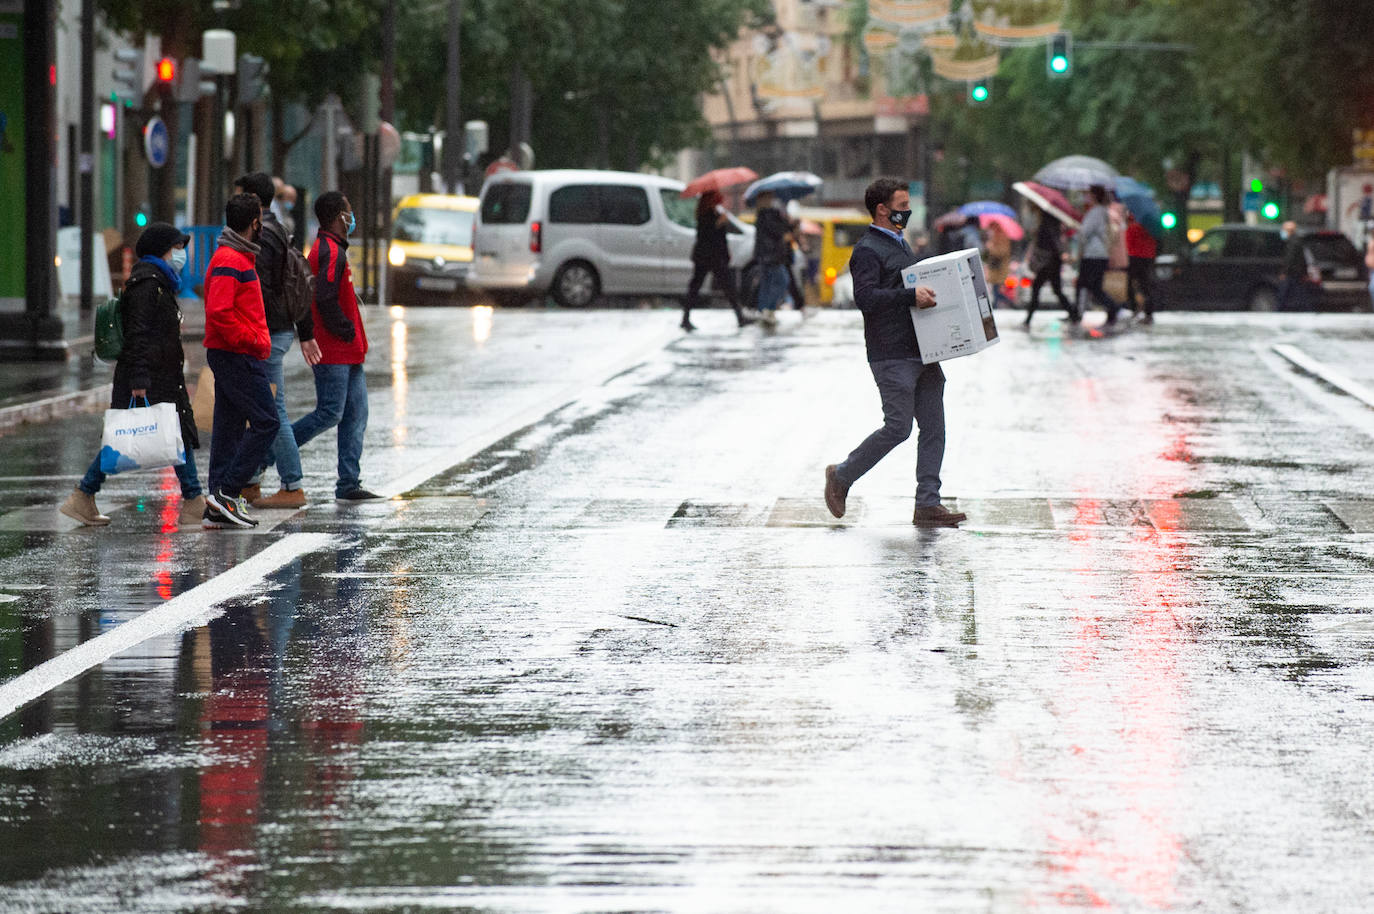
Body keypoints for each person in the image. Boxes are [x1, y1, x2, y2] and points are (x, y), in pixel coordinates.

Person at [822, 177, 967, 528]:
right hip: (891, 354)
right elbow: (866, 298)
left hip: (923, 350)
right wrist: (909, 295)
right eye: (902, 206)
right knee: (898, 427)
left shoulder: (901, 245)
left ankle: (928, 503)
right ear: (882, 210)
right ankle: (841, 476)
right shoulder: (868, 250)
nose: (907, 212)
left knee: (934, 427)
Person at [60, 223, 205, 527]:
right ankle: (84, 494)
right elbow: (137, 335)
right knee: (138, 439)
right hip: (147, 376)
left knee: (175, 432)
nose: (182, 254)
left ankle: (193, 500)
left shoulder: (159, 282)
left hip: (160, 372)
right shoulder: (146, 285)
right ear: (163, 250)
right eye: (177, 248)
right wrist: (139, 379)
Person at [232, 172, 320, 509]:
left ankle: (292, 484)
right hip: (277, 329)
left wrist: (255, 329)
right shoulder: (277, 229)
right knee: (262, 408)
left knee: (273, 410)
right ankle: (252, 481)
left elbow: (263, 289)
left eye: (240, 196)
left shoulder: (263, 235)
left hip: (268, 331)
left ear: (252, 198)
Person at [292, 191, 381, 502]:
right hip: (335, 350)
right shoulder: (330, 251)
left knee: (356, 414)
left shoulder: (333, 249)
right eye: (348, 210)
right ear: (338, 217)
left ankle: (349, 483)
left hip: (348, 349)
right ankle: (271, 450)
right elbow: (325, 299)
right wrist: (345, 330)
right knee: (330, 412)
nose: (352, 215)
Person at [202, 193, 280, 528]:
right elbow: (219, 311)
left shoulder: (236, 256)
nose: (262, 224)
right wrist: (251, 339)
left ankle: (216, 506)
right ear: (254, 222)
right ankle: (228, 492)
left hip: (235, 352)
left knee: (229, 426)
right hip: (237, 354)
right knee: (267, 422)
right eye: (261, 219)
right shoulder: (231, 259)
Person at [680, 190, 752, 331]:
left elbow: (721, 238)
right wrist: (719, 223)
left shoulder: (715, 213)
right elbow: (706, 236)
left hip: (716, 257)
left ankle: (740, 317)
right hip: (708, 257)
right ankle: (685, 318)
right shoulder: (705, 215)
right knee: (697, 287)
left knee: (728, 287)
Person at [1076, 184, 1122, 326]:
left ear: (1094, 195)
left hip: (1093, 255)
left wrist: (1077, 230)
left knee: (1089, 285)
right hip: (1098, 254)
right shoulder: (1102, 211)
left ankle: (1113, 307)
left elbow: (1085, 232)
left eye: (1088, 194)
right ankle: (1077, 312)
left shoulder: (1096, 212)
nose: (1086, 196)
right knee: (1089, 285)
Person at [1023, 210, 1073, 327]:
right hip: (1052, 261)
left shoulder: (1048, 221)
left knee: (1037, 287)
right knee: (1055, 289)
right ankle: (1073, 313)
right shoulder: (1049, 222)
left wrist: (1062, 252)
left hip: (1048, 262)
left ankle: (1029, 318)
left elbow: (1054, 239)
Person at [751, 191, 792, 325]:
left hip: (765, 254)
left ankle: (764, 310)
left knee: (767, 283)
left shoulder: (762, 214)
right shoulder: (769, 214)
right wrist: (785, 219)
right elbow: (778, 231)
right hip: (772, 255)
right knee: (782, 280)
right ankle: (769, 309)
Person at [1124, 210, 1158, 324]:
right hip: (1148, 257)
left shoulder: (1133, 228)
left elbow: (1128, 243)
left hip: (1134, 257)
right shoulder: (1151, 227)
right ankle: (1148, 312)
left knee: (1130, 284)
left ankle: (1135, 308)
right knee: (1146, 286)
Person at [1278, 220, 1314, 311]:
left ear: (1289, 231)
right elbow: (1303, 259)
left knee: (1285, 294)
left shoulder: (1292, 242)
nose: (1282, 232)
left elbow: (1289, 258)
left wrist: (1284, 272)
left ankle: (1279, 310)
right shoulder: (1297, 241)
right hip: (1297, 273)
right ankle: (1306, 310)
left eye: (1284, 230)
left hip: (1292, 273)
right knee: (1299, 293)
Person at [983, 220, 1014, 309]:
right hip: (994, 266)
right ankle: (1000, 303)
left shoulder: (1002, 237)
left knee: (996, 287)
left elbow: (1001, 252)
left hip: (1000, 266)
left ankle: (1000, 303)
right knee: (995, 287)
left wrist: (990, 247)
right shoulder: (995, 237)